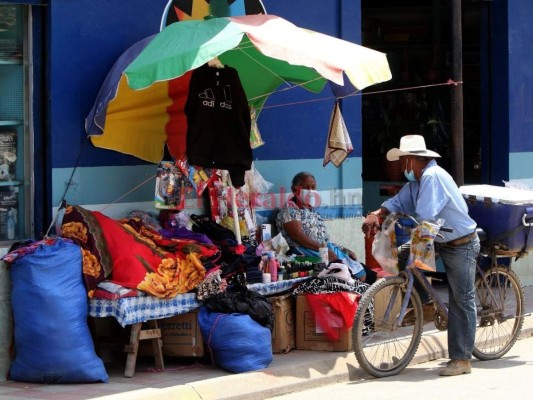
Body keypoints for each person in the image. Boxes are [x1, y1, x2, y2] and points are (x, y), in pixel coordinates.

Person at [366, 134, 480, 376]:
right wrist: (377, 213)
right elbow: (397, 202)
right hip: (436, 238)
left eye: (401, 161)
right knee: (401, 259)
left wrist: (401, 221)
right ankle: (427, 305)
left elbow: (425, 214)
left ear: (410, 160)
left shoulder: (432, 177)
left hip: (460, 243)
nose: (399, 166)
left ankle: (461, 360)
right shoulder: (415, 182)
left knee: (461, 300)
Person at [276, 171, 377, 284]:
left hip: (324, 250)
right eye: (306, 187)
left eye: (313, 187)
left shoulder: (310, 210)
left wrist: (344, 249)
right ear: (294, 189)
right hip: (307, 253)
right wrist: (323, 250)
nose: (310, 191)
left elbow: (322, 238)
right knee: (354, 277)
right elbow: (298, 236)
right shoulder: (289, 211)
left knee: (367, 274)